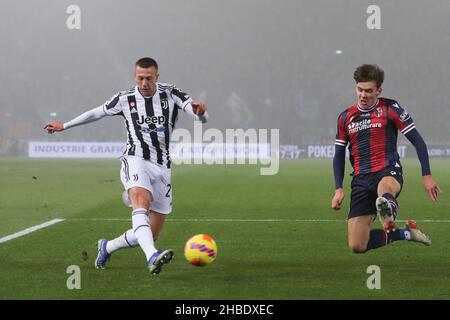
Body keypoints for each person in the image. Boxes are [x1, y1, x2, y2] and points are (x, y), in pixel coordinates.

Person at [44, 57, 208, 273]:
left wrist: (201, 113)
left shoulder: (171, 93)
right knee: (142, 200)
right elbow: (96, 112)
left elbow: (199, 116)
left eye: (149, 78)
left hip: (163, 166)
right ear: (135, 77)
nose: (144, 83)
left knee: (150, 232)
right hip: (135, 158)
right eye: (140, 78)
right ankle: (152, 256)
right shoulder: (124, 99)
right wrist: (65, 125)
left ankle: (107, 246)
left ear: (157, 77)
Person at [331, 64, 441, 253]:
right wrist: (338, 188)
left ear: (378, 91)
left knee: (385, 188)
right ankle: (405, 233)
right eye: (360, 89)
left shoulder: (391, 108)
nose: (363, 95)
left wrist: (427, 176)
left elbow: (418, 141)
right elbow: (339, 154)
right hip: (360, 179)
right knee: (357, 245)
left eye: (369, 91)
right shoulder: (345, 117)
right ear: (355, 87)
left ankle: (388, 211)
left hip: (387, 169)